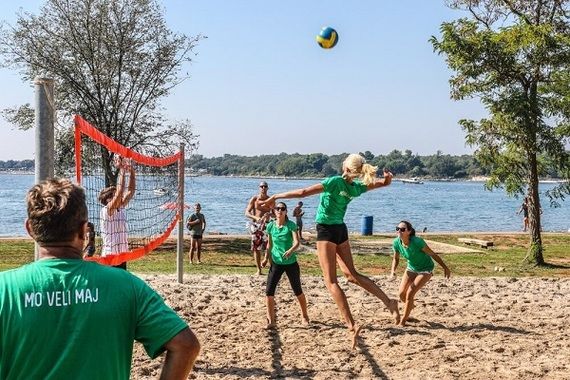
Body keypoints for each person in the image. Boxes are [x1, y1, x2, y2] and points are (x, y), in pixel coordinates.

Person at [0, 178, 200, 379]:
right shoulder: (128, 286)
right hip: (110, 273)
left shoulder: (4, 288)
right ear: (84, 230)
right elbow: (186, 345)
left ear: (30, 229)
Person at [261, 153, 400, 349]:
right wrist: (387, 179)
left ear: (345, 166)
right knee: (351, 275)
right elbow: (382, 184)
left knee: (331, 282)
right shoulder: (355, 187)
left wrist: (275, 197)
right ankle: (389, 302)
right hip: (340, 231)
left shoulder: (335, 181)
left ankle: (351, 326)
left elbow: (302, 192)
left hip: (326, 231)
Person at [390, 220, 451, 327]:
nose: (399, 231)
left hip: (425, 269)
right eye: (397, 229)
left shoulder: (418, 242)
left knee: (410, 293)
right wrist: (392, 272)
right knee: (401, 294)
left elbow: (432, 254)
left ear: (408, 231)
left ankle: (403, 321)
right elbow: (396, 258)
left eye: (402, 229)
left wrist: (445, 267)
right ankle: (409, 307)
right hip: (411, 268)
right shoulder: (396, 242)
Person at [261, 202, 309, 328]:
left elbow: (297, 242)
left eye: (282, 209)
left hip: (290, 263)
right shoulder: (271, 226)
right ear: (274, 211)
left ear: (286, 212)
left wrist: (291, 250)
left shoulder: (291, 225)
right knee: (269, 292)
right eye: (277, 208)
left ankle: (304, 316)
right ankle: (271, 321)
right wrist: (266, 258)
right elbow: (269, 245)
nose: (280, 210)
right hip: (276, 263)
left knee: (297, 290)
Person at [98, 156, 135, 270]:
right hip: (110, 255)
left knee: (121, 284)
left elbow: (130, 190)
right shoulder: (107, 210)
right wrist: (122, 169)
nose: (118, 197)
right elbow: (120, 192)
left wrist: (131, 170)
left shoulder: (121, 207)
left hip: (122, 254)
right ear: (109, 199)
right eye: (114, 195)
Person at [245, 180, 274, 275]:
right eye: (262, 186)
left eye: (265, 186)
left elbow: (275, 214)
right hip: (256, 226)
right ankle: (259, 270)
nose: (263, 188)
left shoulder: (271, 200)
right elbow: (246, 213)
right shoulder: (255, 199)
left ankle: (271, 269)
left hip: (267, 225)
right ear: (259, 188)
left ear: (267, 188)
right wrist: (255, 217)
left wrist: (269, 214)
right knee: (256, 248)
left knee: (269, 248)